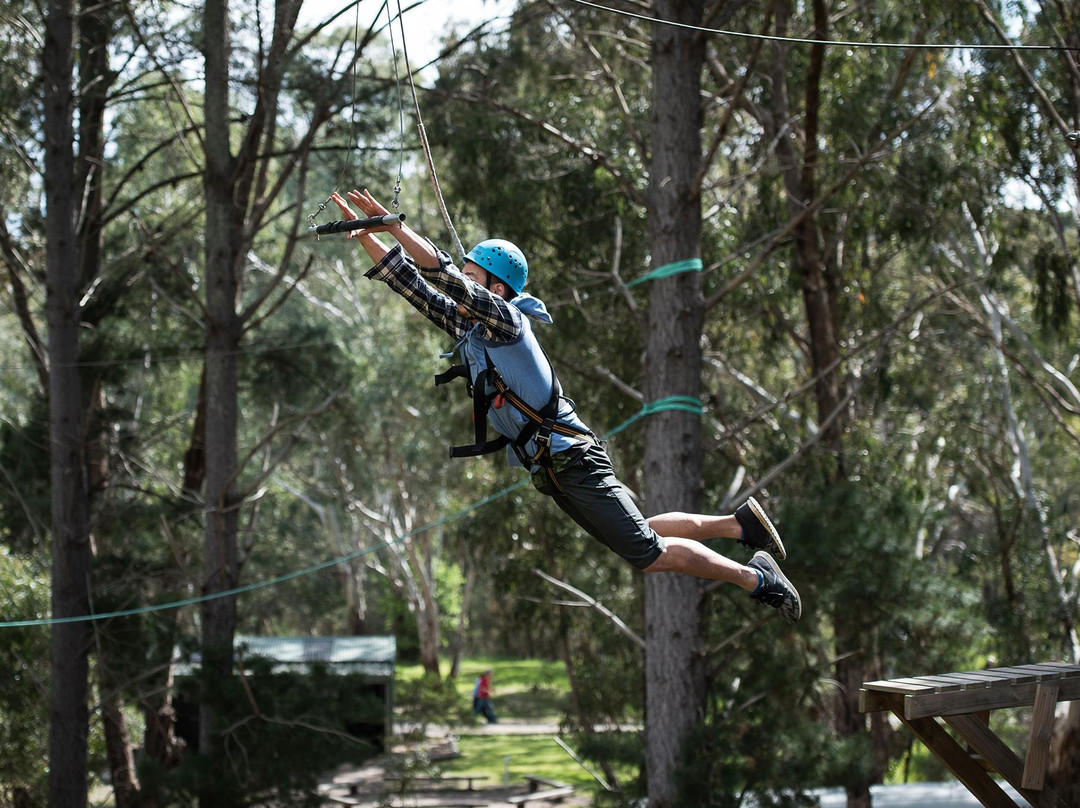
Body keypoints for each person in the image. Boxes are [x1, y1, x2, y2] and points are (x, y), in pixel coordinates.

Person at [329, 189, 801, 623]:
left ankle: (757, 578)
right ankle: (739, 525)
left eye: (474, 277)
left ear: (496, 290)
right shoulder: (470, 331)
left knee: (649, 553)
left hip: (572, 460)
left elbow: (443, 276)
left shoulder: (507, 321)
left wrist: (394, 226)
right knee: (640, 535)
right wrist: (368, 235)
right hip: (553, 468)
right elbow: (408, 282)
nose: (463, 284)